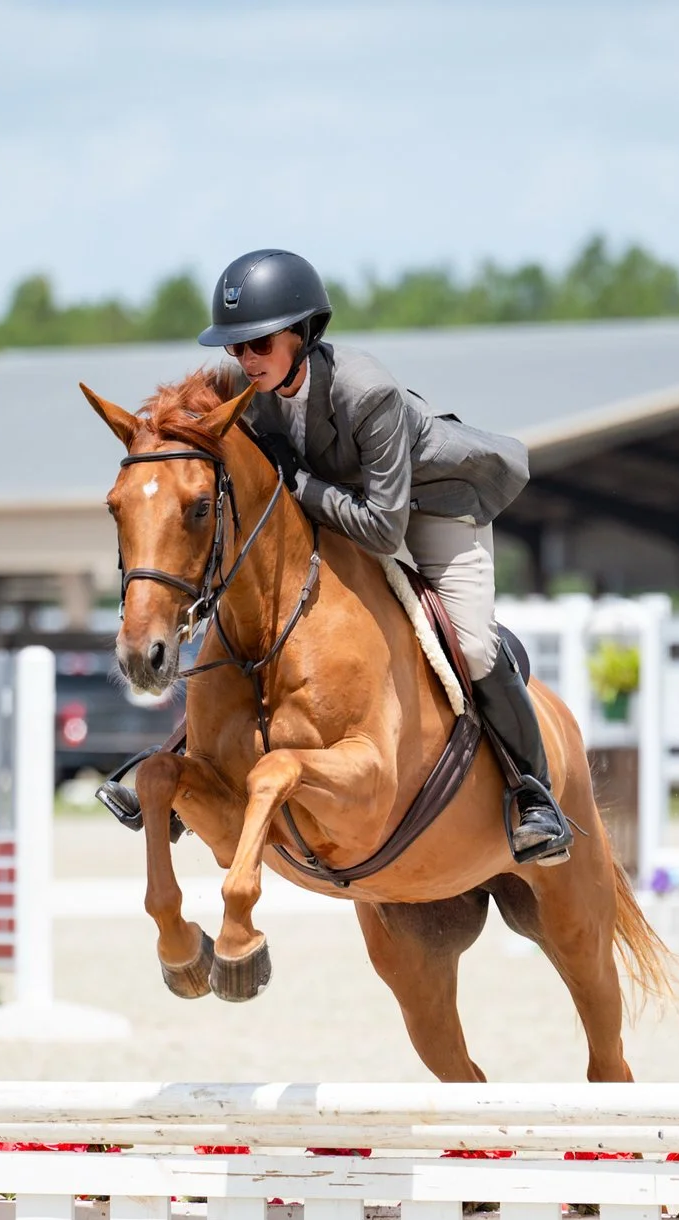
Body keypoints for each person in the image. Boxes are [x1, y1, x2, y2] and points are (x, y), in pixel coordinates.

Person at [195, 247, 573, 865]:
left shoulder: (366, 391)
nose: (244, 360)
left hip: (430, 508)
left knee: (472, 644)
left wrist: (297, 484)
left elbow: (379, 525)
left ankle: (535, 798)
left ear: (302, 333)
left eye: (258, 345)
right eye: (235, 348)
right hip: (341, 507)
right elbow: (190, 410)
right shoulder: (243, 383)